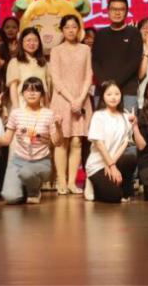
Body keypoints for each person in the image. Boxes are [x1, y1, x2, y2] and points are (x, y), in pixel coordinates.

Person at [0, 77, 62, 204]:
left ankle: (34, 191)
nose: (32, 93)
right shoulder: (16, 113)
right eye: (28, 90)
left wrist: (58, 127)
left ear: (42, 94)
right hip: (19, 160)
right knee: (11, 197)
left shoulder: (49, 114)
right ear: (22, 93)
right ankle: (26, 188)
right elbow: (6, 139)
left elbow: (58, 143)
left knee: (26, 173)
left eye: (36, 90)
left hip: (41, 161)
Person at [48, 16, 92, 195]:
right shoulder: (56, 50)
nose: (71, 30)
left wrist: (80, 99)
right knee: (62, 141)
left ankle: (72, 182)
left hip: (81, 99)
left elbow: (88, 75)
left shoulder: (85, 49)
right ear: (62, 30)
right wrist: (71, 99)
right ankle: (61, 181)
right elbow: (56, 79)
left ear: (79, 29)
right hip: (62, 99)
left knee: (77, 141)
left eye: (74, 27)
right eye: (67, 27)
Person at [83, 81, 136, 203]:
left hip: (112, 162)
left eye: (117, 94)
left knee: (130, 158)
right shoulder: (98, 116)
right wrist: (111, 165)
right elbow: (99, 144)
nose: (113, 97)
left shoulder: (125, 116)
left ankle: (122, 189)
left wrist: (111, 164)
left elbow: (125, 143)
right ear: (103, 96)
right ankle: (91, 183)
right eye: (109, 94)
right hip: (97, 165)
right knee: (114, 196)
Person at [91, 0, 143, 111]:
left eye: (121, 9)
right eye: (114, 9)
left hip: (127, 90)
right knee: (102, 121)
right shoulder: (101, 34)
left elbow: (134, 62)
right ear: (108, 11)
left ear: (127, 12)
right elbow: (95, 61)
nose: (117, 12)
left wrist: (113, 84)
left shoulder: (134, 33)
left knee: (128, 122)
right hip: (103, 89)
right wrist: (104, 83)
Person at [6, 28, 48, 109]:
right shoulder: (15, 62)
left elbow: (45, 88)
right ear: (21, 42)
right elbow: (13, 87)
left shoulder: (43, 63)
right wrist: (16, 108)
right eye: (28, 40)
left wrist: (47, 107)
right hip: (22, 106)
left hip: (41, 107)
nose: (32, 43)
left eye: (35, 40)